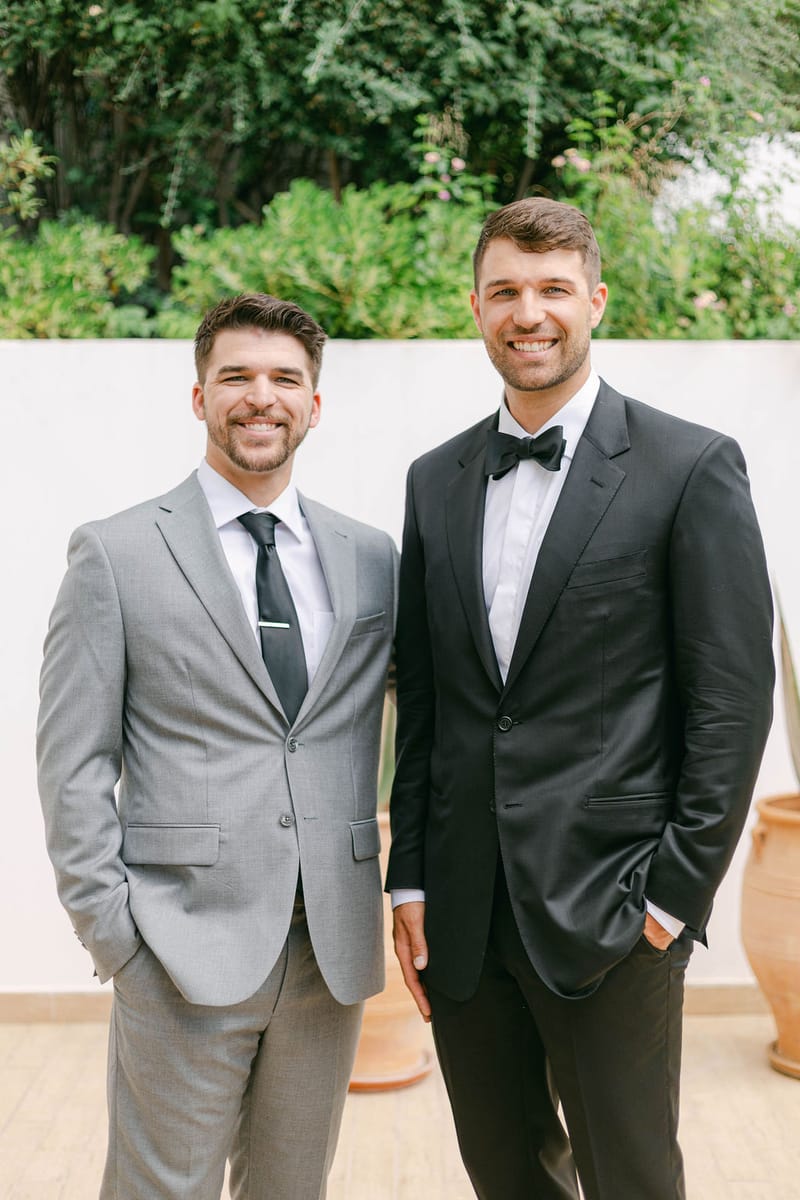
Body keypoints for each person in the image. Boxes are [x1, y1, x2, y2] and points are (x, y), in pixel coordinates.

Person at [386, 198, 774, 1200]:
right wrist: (411, 882)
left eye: (552, 289)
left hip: (613, 910)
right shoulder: (433, 482)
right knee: (506, 1176)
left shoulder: (689, 467)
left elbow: (728, 704)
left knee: (630, 1179)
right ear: (475, 306)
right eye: (506, 290)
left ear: (593, 300)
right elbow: (426, 701)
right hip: (464, 917)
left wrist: (669, 901)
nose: (529, 312)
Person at [37, 293, 397, 1200]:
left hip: (330, 953)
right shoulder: (115, 555)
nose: (260, 397)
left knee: (292, 1189)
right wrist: (117, 938)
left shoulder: (372, 559)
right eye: (236, 376)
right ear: (199, 396)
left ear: (316, 405)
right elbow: (72, 764)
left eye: (285, 379)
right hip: (178, 949)